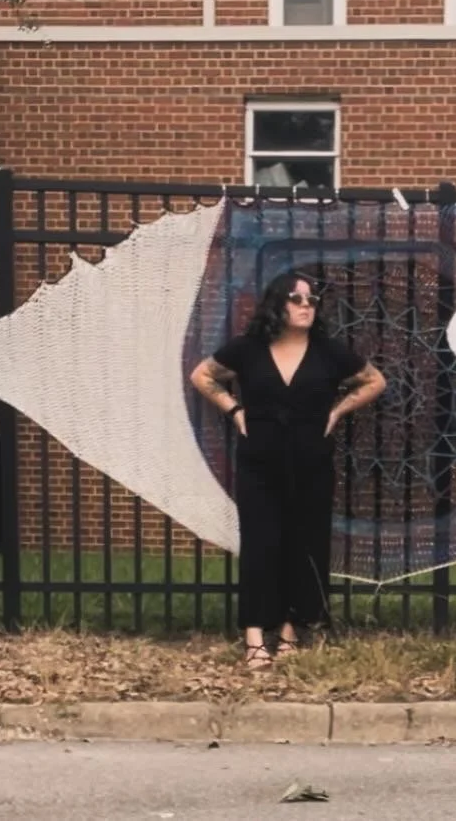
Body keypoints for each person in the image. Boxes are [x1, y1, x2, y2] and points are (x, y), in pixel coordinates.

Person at [190, 272, 386, 670]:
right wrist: (235, 410)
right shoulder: (248, 350)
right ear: (277, 304)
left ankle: (291, 629)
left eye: (312, 300)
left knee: (304, 544)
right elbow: (202, 375)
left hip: (312, 462)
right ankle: (254, 635)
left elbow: (374, 381)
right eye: (296, 299)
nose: (305, 305)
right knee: (261, 544)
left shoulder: (329, 353)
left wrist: (336, 411)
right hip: (259, 462)